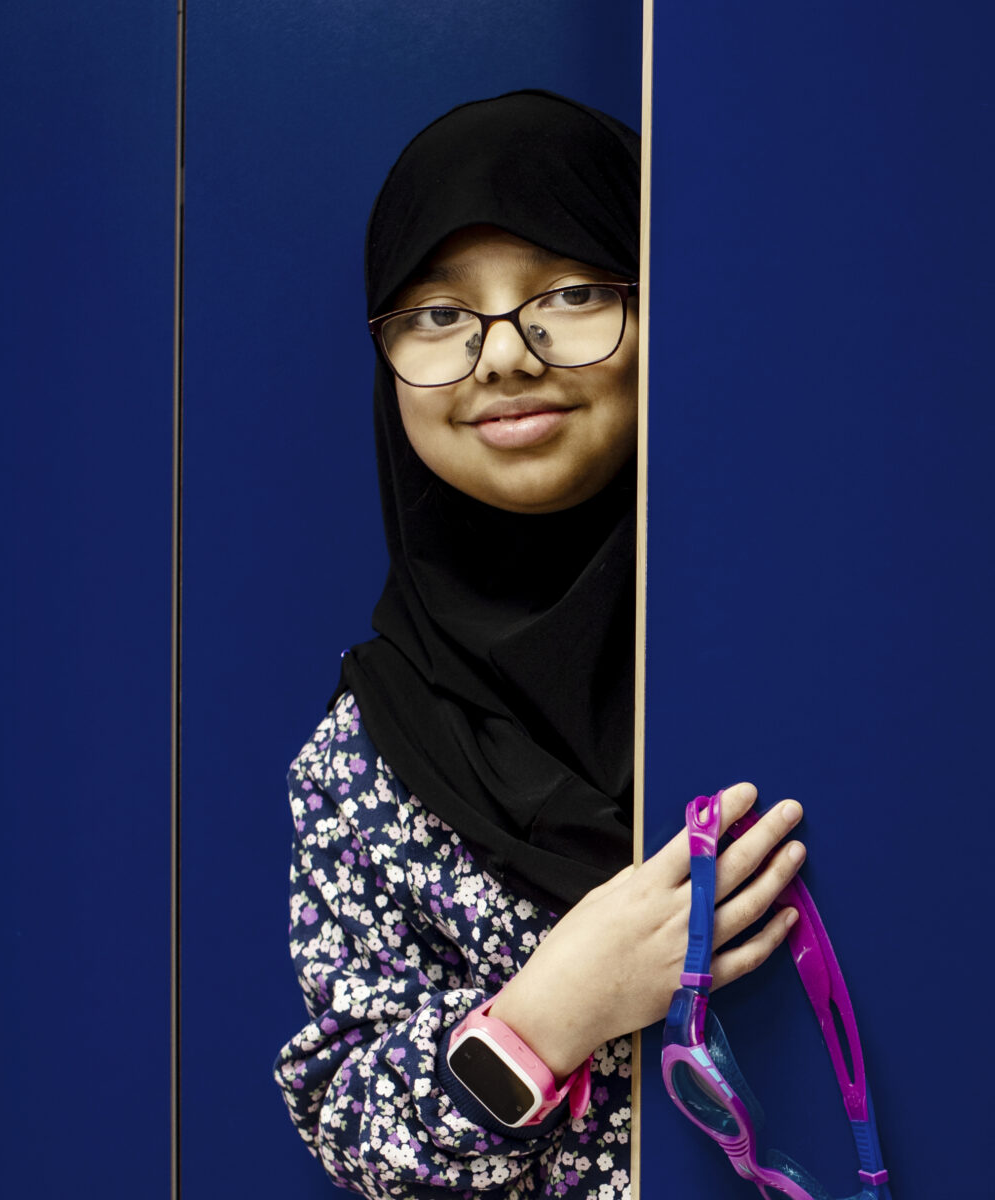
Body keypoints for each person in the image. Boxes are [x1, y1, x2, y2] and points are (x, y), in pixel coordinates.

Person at [274, 90, 805, 1200]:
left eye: (570, 292)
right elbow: (346, 1123)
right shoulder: (365, 755)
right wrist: (551, 1013)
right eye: (437, 314)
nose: (503, 357)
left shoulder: (813, 646)